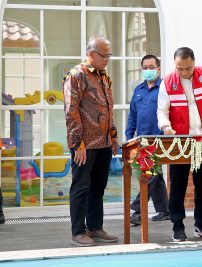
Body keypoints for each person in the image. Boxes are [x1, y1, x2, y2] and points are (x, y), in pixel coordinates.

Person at [157, 47, 202, 241]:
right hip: (179, 141)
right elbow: (162, 110)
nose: (184, 73)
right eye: (180, 68)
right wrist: (166, 128)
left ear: (194, 62)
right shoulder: (167, 82)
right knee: (178, 185)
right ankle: (177, 226)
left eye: (188, 68)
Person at [63, 36, 119, 247]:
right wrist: (77, 143)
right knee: (80, 187)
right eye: (104, 55)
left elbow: (108, 108)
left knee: (98, 187)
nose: (107, 60)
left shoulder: (104, 77)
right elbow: (71, 110)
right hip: (84, 145)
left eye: (109, 55)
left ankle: (94, 228)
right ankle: (78, 232)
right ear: (91, 54)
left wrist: (113, 135)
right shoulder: (76, 75)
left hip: (103, 143)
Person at [126, 55, 170, 226]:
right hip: (141, 140)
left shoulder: (165, 89)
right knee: (155, 174)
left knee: (148, 174)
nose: (148, 70)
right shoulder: (138, 90)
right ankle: (164, 210)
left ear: (158, 69)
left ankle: (137, 210)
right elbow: (133, 115)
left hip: (159, 140)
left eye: (151, 67)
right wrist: (130, 138)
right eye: (145, 67)